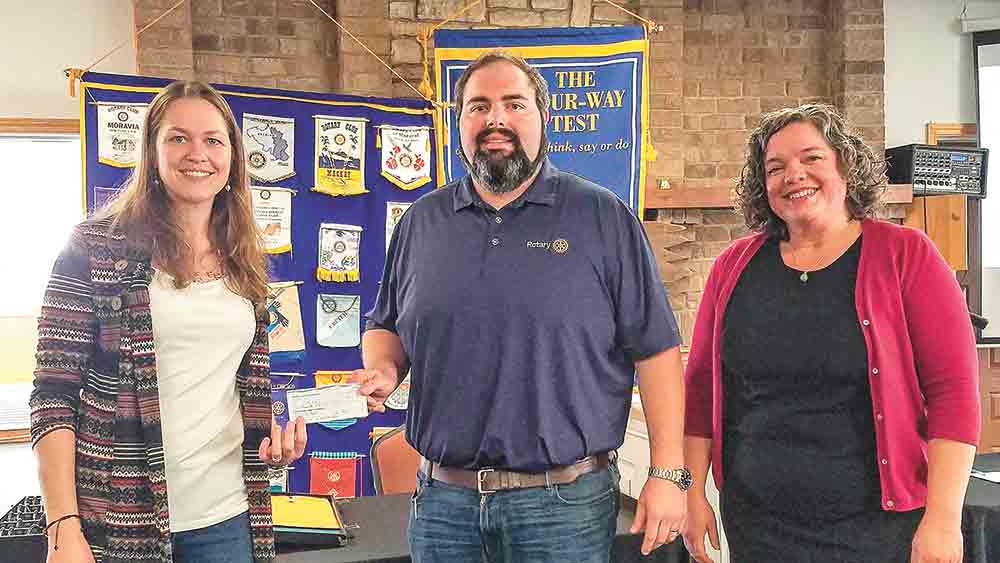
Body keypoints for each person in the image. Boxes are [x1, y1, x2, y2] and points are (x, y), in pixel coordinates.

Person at [352, 49, 688, 563]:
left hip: (563, 507)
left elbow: (657, 350)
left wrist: (667, 474)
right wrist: (382, 366)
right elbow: (386, 324)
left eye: (514, 104)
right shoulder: (421, 223)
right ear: (459, 122)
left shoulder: (602, 217)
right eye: (478, 106)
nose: (496, 120)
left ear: (543, 118)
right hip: (443, 506)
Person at [681, 103, 981, 563]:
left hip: (877, 527)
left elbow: (954, 394)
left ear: (845, 164)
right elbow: (701, 390)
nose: (793, 175)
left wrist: (942, 519)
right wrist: (692, 492)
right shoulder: (732, 266)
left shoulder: (906, 255)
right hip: (758, 524)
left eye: (811, 158)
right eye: (775, 167)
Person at [30, 81, 307, 563]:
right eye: (178, 137)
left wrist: (271, 443)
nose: (197, 153)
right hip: (118, 517)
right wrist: (62, 526)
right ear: (152, 153)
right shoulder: (94, 249)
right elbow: (52, 396)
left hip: (227, 517)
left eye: (213, 140)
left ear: (233, 159)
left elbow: (236, 387)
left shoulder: (245, 261)